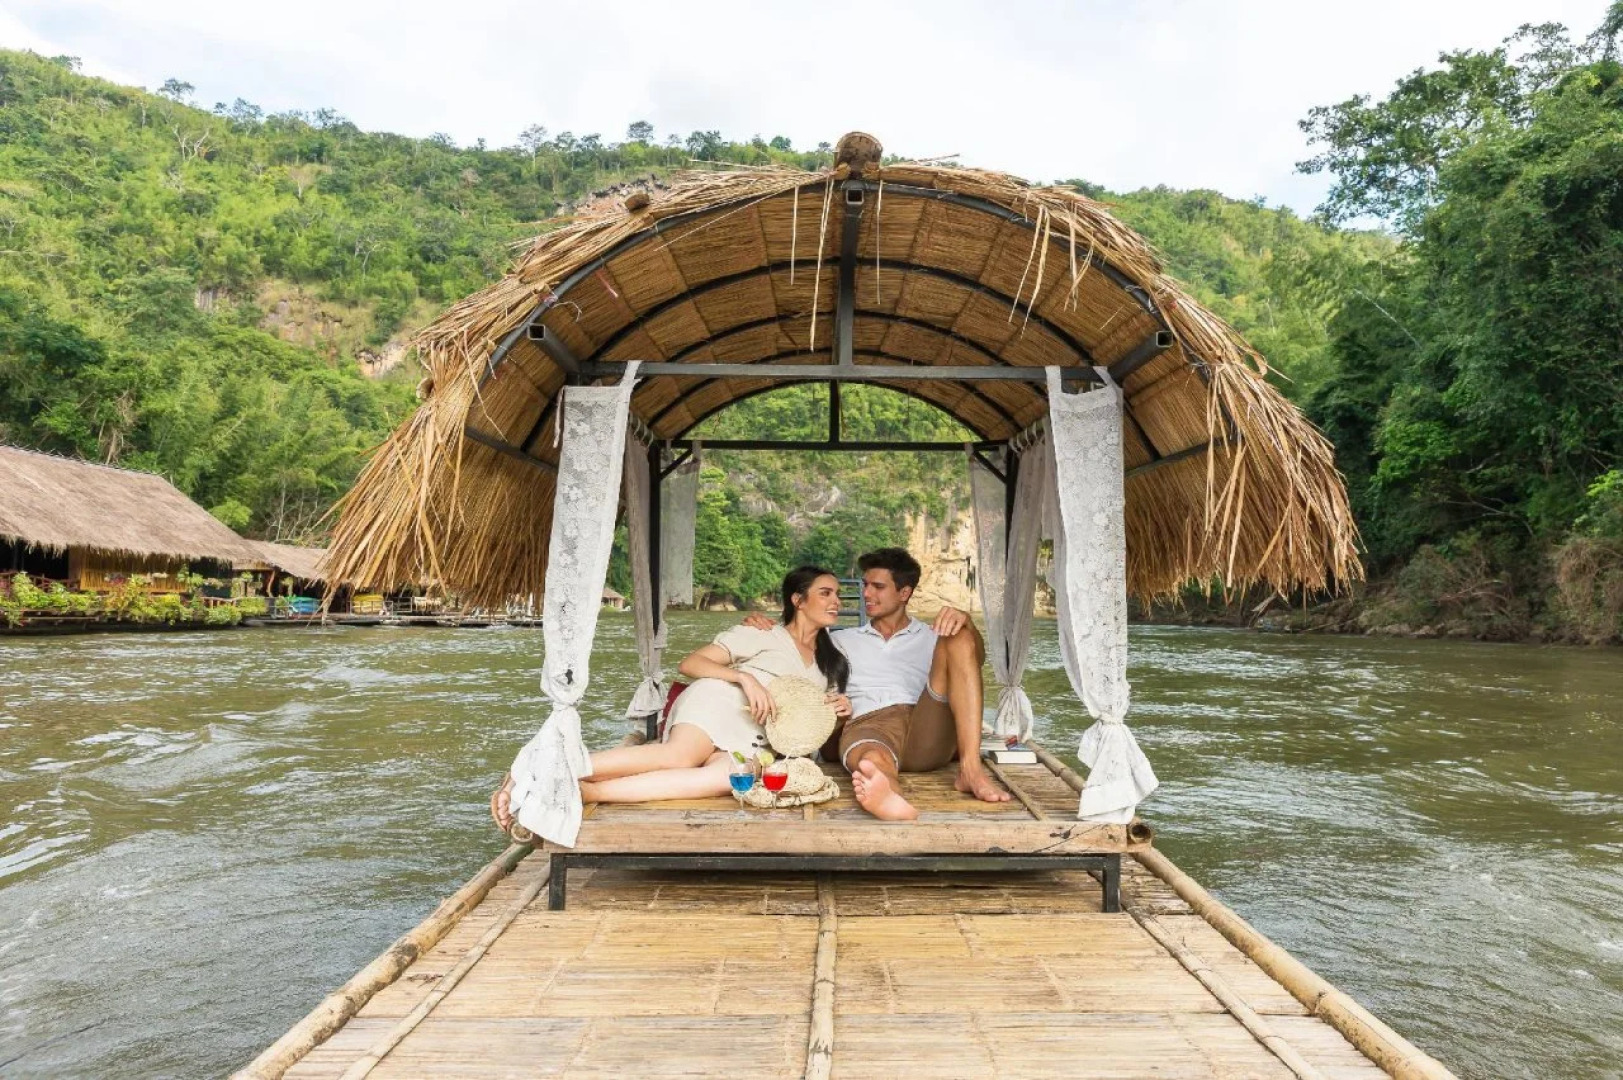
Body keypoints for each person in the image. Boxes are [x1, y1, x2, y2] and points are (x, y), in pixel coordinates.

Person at [490, 566, 852, 827]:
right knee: (680, 755)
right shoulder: (761, 634)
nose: (836, 600)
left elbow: (814, 729)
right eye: (826, 592)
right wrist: (744, 678)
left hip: (757, 739)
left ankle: (592, 793)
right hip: (718, 702)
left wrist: (840, 711)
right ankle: (535, 770)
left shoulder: (831, 663)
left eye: (837, 594)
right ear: (798, 600)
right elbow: (691, 663)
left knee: (726, 779)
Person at [746, 547, 1009, 821]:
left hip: (926, 723)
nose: (867, 594)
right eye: (865, 585)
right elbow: (792, 642)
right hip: (869, 722)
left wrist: (967, 623)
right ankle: (888, 797)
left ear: (904, 593)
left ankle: (970, 770)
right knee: (871, 760)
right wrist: (763, 627)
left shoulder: (932, 636)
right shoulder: (839, 640)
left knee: (958, 637)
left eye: (878, 587)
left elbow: (974, 657)